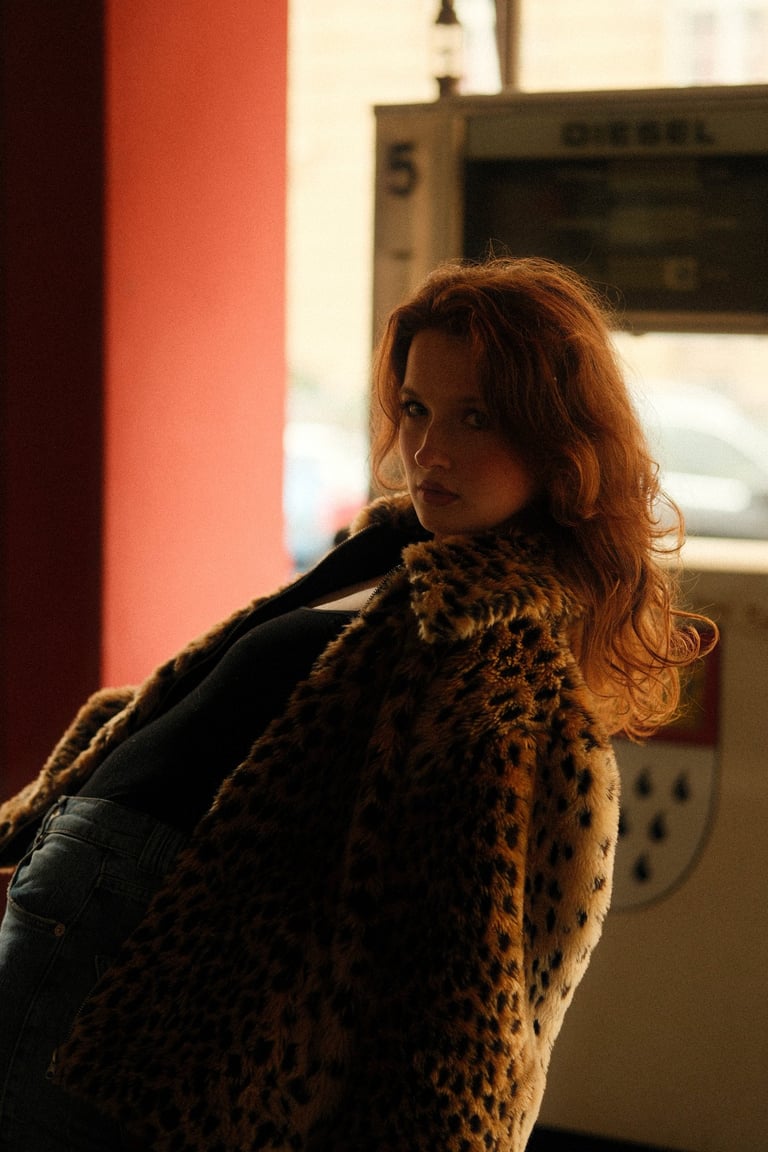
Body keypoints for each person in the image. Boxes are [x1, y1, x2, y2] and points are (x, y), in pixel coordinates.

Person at [0, 256, 716, 1152]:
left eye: (476, 417)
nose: (429, 450)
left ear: (555, 441)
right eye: (415, 409)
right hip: (87, 931)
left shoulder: (493, 652)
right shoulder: (401, 554)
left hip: (129, 983)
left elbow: (462, 996)